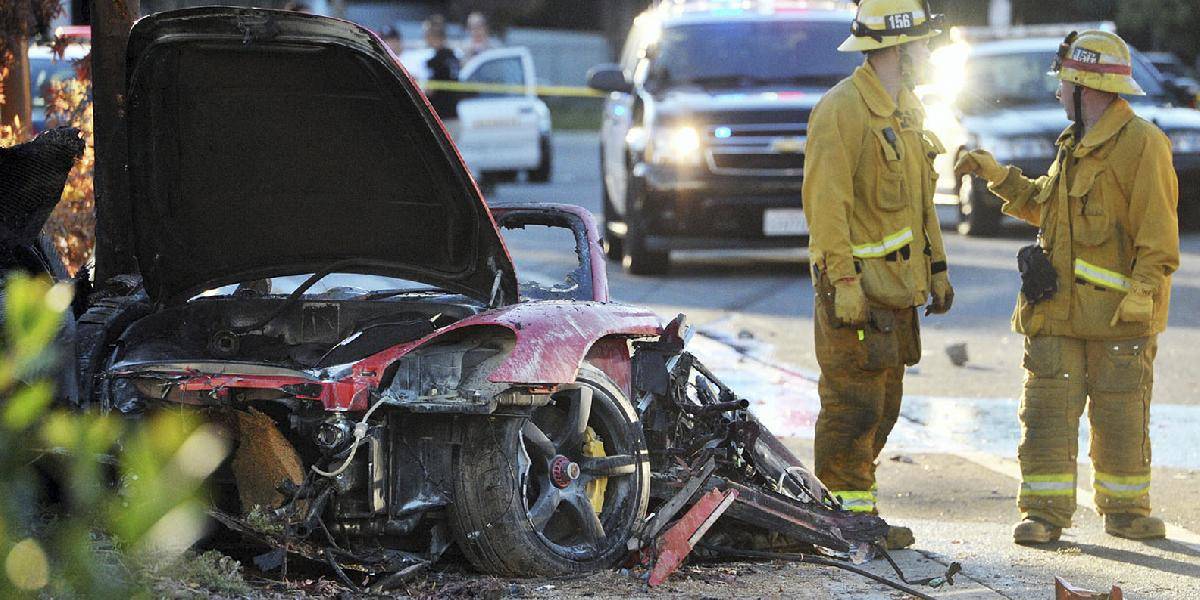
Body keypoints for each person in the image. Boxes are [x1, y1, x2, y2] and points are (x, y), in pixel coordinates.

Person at [955, 30, 1179, 545]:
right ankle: (1043, 514)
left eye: (1065, 83)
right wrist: (998, 176)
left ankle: (1126, 511)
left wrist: (1143, 291)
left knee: (1121, 415)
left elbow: (1159, 236)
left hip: (1117, 318)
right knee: (1046, 413)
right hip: (1056, 311)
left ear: (1087, 88)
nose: (1058, 91)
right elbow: (1047, 207)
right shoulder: (1073, 144)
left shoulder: (1143, 145)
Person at [802, 0, 953, 550]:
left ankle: (853, 516)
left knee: (883, 409)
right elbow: (827, 206)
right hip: (858, 297)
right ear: (896, 47)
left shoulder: (905, 110)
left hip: (896, 297)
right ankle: (843, 525)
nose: (929, 52)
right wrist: (843, 282)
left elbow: (920, 205)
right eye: (923, 43)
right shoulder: (841, 110)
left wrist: (937, 269)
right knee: (853, 410)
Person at [422, 15, 462, 138]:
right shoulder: (453, 57)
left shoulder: (435, 61)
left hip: (441, 118)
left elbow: (430, 90)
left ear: (434, 37)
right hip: (454, 115)